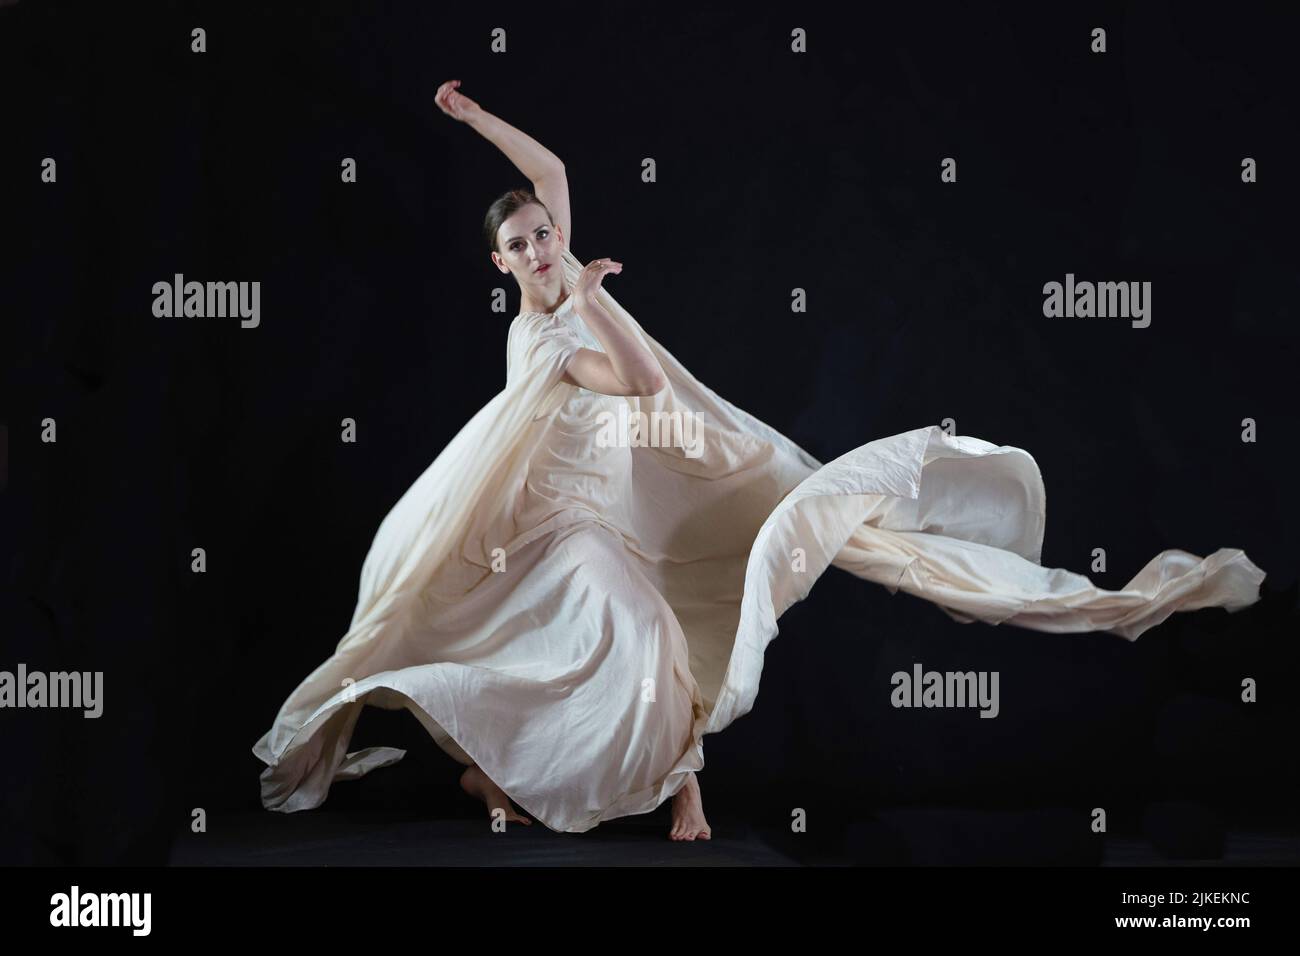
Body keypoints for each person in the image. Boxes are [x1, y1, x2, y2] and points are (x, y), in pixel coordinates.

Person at [251, 80, 1267, 843]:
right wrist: (595, 296)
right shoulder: (546, 338)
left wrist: (471, 118)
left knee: (687, 617)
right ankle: (579, 776)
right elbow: (643, 385)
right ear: (501, 264)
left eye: (545, 232)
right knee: (620, 634)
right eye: (521, 241)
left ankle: (627, 775)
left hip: (624, 515)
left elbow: (553, 172)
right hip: (558, 536)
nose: (542, 242)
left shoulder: (566, 275)